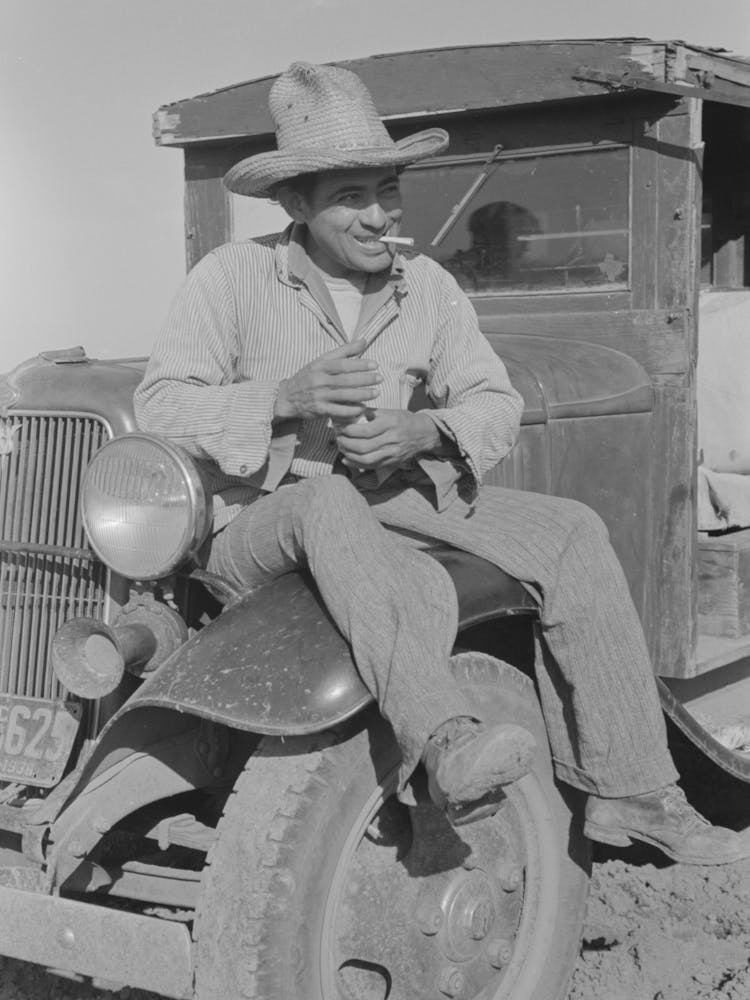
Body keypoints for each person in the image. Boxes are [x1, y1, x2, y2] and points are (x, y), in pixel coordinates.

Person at [136, 60, 747, 862]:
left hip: (383, 495)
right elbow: (161, 405)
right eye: (351, 196)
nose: (379, 214)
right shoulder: (230, 277)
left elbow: (495, 402)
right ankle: (447, 736)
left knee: (570, 531)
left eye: (389, 190)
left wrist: (422, 433)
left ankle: (631, 792)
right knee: (328, 504)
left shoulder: (426, 285)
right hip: (256, 518)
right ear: (295, 204)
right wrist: (282, 398)